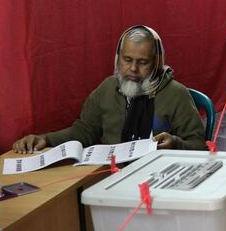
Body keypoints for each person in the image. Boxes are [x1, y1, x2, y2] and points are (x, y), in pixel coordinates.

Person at [13, 25, 205, 153]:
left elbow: (198, 147)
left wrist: (176, 144)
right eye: (127, 60)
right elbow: (84, 131)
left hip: (159, 179)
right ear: (117, 57)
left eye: (143, 62)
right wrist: (45, 139)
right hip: (110, 176)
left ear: (157, 62)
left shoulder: (176, 94)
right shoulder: (107, 89)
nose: (133, 69)